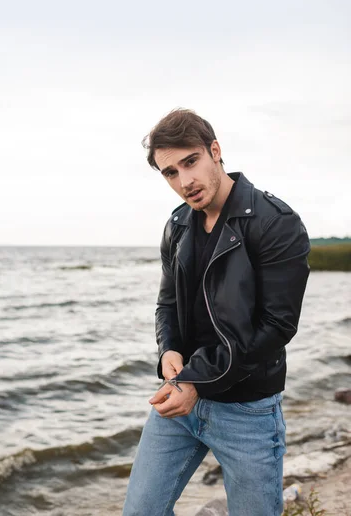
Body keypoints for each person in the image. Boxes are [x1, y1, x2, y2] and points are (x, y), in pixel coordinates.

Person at [122, 108, 310, 516]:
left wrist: (198, 382)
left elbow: (278, 325)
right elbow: (167, 303)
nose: (184, 180)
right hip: (181, 401)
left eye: (190, 162)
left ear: (215, 150)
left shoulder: (275, 222)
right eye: (170, 172)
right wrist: (168, 350)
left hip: (248, 410)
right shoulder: (177, 225)